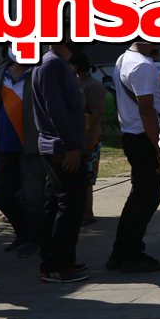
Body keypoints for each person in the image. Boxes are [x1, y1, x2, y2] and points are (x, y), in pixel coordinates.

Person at [31, 38, 90, 283]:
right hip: (61, 147)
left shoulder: (56, 64)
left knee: (57, 205)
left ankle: (59, 260)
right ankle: (57, 265)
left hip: (59, 145)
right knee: (70, 206)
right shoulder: (52, 64)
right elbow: (55, 108)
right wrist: (70, 145)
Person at [110, 39, 160, 273]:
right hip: (145, 138)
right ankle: (131, 254)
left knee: (138, 198)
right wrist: (159, 149)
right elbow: (146, 110)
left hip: (133, 135)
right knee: (146, 200)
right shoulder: (143, 66)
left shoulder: (124, 58)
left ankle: (120, 252)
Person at [0, 48, 44, 257]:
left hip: (32, 148)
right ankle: (22, 233)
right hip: (3, 147)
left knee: (34, 197)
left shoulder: (41, 73)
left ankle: (36, 239)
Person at [71, 52, 106, 226]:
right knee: (78, 177)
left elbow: (97, 114)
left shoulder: (93, 86)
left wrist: (91, 139)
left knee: (86, 178)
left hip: (89, 137)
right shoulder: (75, 84)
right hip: (77, 138)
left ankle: (87, 213)